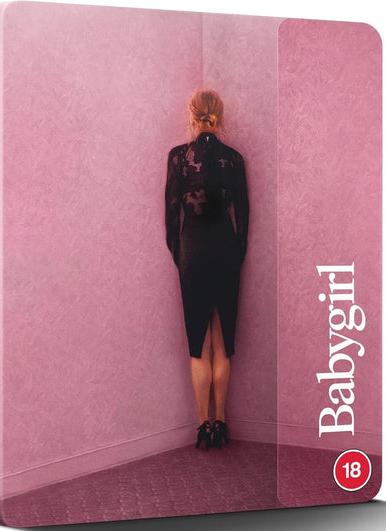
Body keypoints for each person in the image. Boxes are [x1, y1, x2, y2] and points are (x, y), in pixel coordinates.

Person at [165, 88, 249, 451]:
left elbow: (171, 216)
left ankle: (203, 426)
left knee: (198, 344)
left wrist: (180, 254)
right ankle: (222, 424)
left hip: (192, 252)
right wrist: (237, 254)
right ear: (220, 116)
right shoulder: (234, 159)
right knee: (221, 341)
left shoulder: (178, 158)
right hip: (226, 251)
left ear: (191, 115)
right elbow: (243, 216)